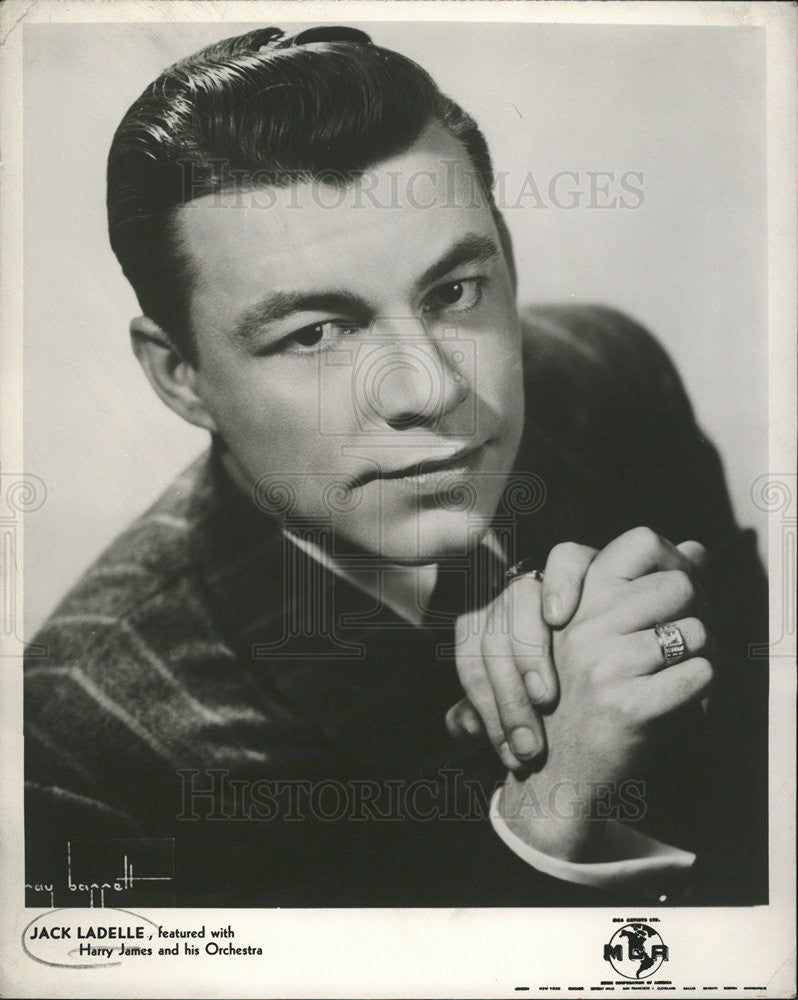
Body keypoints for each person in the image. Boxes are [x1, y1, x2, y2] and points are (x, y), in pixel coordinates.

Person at [24, 25, 767, 908]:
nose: (428, 387)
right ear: (180, 377)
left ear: (510, 265)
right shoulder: (85, 747)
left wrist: (699, 658)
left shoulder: (611, 378)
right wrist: (545, 820)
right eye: (316, 334)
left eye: (453, 293)